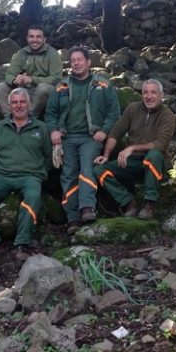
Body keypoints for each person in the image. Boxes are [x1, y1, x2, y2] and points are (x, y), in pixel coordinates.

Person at [0, 88, 52, 265]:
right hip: (2, 176)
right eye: (15, 102)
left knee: (33, 196)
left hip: (30, 177)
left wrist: (41, 172)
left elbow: (49, 156)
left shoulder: (41, 127)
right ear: (9, 105)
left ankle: (22, 245)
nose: (18, 105)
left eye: (22, 102)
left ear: (29, 104)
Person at [45, 46, 120, 232]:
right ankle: (72, 218)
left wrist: (104, 130)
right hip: (67, 137)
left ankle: (87, 207)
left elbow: (113, 111)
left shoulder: (103, 85)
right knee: (68, 175)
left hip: (91, 137)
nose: (76, 63)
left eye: (80, 59)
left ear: (88, 62)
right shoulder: (61, 86)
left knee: (87, 168)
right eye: (73, 61)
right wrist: (53, 130)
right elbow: (50, 113)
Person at [93, 79, 176, 219]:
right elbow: (115, 132)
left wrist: (131, 148)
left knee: (154, 155)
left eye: (153, 92)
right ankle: (128, 202)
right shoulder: (132, 108)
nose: (149, 96)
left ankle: (149, 204)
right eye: (145, 92)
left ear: (161, 95)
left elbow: (160, 143)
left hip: (155, 162)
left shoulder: (167, 115)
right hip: (133, 162)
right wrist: (106, 155)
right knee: (99, 170)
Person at [0, 24, 62, 117]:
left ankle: (29, 118)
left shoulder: (53, 54)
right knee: (1, 87)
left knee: (42, 88)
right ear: (27, 38)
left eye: (38, 37)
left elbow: (57, 79)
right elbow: (9, 74)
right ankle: (10, 118)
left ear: (44, 39)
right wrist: (15, 80)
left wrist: (31, 79)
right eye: (31, 36)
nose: (34, 40)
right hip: (25, 89)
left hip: (46, 92)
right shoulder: (21, 53)